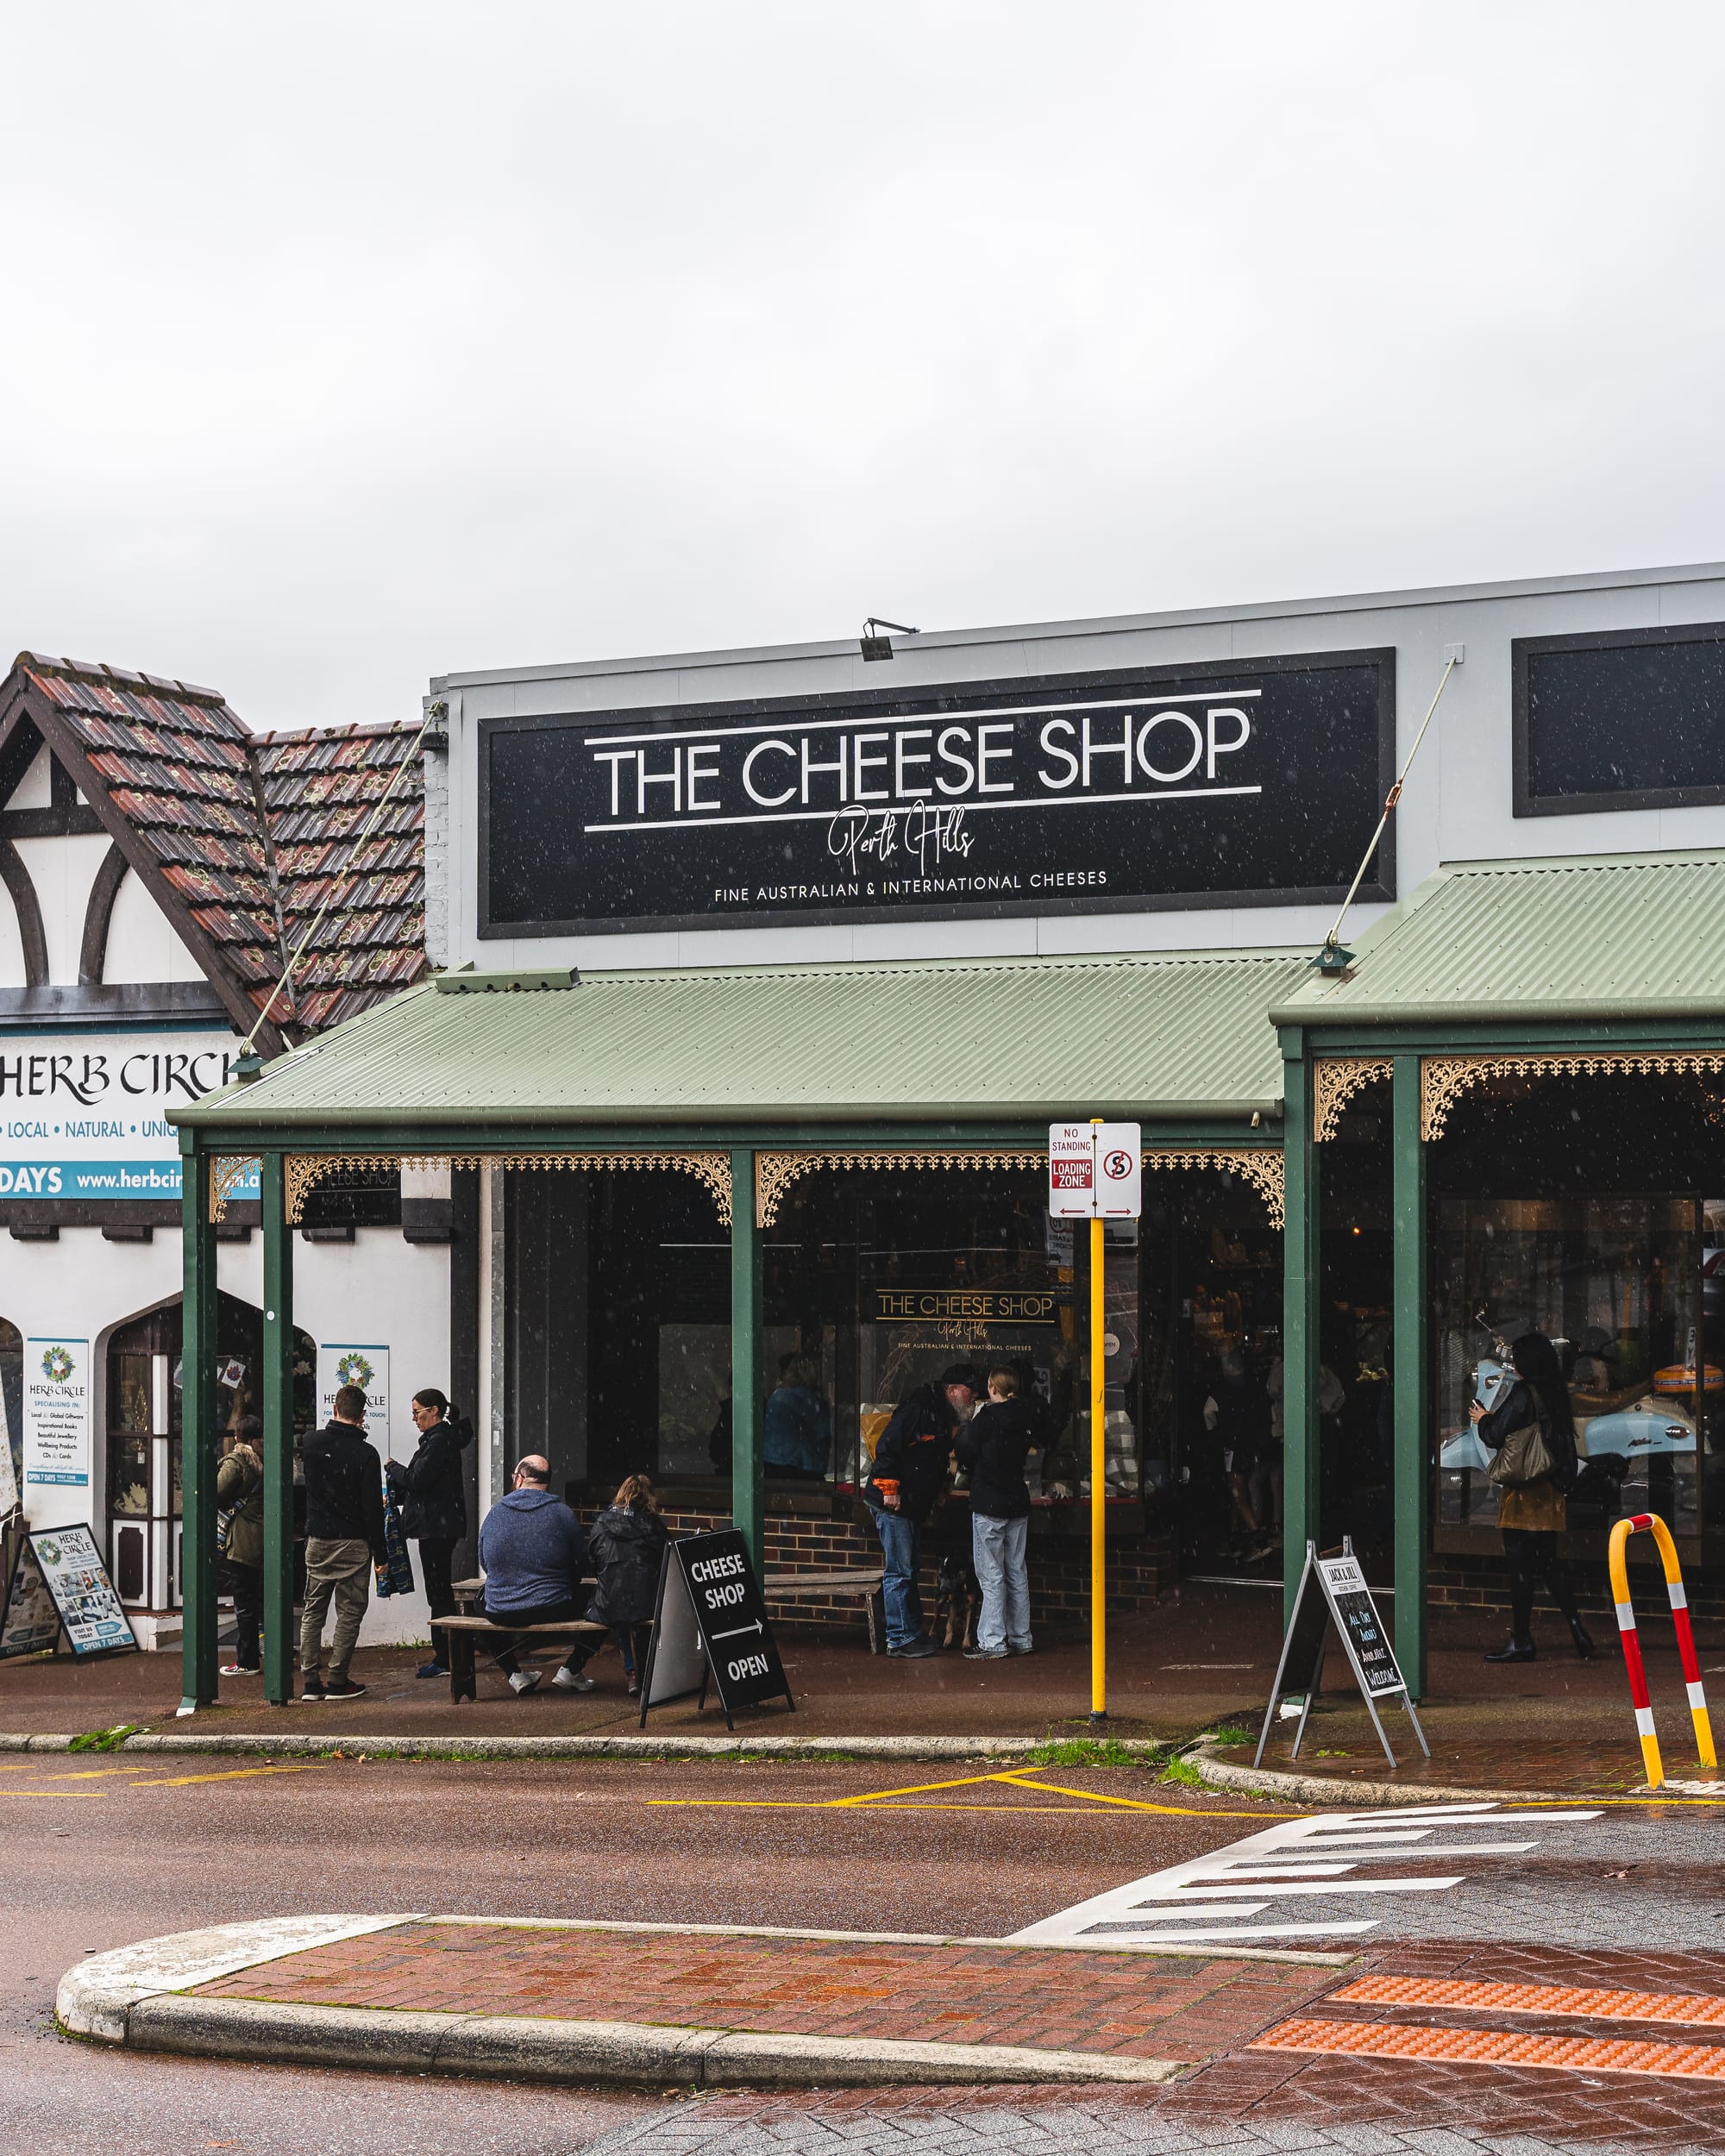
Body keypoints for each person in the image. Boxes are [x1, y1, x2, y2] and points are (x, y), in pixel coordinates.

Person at [1471, 1329, 1592, 1664]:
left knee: (1520, 1567)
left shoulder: (1524, 1392)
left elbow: (1496, 1435)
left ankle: (1521, 1639)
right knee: (1551, 1564)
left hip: (1524, 1490)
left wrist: (1483, 1419)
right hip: (1550, 1488)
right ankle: (1578, 1630)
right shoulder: (1555, 1392)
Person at [864, 1363, 979, 1658]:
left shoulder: (940, 1413)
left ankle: (910, 1633)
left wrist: (939, 1490)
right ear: (952, 1390)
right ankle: (900, 1638)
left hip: (912, 1504)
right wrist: (890, 1491)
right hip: (895, 1503)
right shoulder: (918, 1409)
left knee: (909, 1568)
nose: (974, 1397)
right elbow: (888, 1448)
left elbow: (935, 1458)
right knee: (900, 1570)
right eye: (970, 1391)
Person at [298, 1383, 386, 1702]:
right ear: (363, 1415)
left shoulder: (311, 1443)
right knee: (349, 1612)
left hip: (318, 1539)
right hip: (354, 1542)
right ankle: (337, 1680)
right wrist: (381, 1552)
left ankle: (310, 1682)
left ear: (334, 1409)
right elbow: (372, 1508)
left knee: (313, 1611)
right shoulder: (366, 1454)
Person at [477, 1454, 592, 1695]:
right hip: (554, 1607)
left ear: (519, 1479)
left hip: (502, 1612)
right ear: (547, 1482)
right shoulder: (562, 1514)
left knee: (479, 1602)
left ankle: (514, 1674)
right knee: (607, 1601)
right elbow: (582, 1565)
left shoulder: (494, 1514)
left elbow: (485, 1564)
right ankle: (572, 1669)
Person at [386, 1388, 474, 1680]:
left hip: (436, 1527)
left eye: (418, 1412)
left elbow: (418, 1479)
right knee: (439, 1592)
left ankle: (445, 1657)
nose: (414, 1418)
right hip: (439, 1525)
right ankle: (448, 1654)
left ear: (434, 1410)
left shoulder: (439, 1442)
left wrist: (393, 1468)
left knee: (438, 1593)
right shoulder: (441, 1440)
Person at [955, 1366, 1036, 1661]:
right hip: (1017, 1500)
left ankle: (992, 1640)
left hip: (990, 1500)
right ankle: (1021, 1636)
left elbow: (964, 1447)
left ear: (992, 1387)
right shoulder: (1025, 1415)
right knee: (1016, 1571)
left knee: (991, 1574)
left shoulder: (987, 1417)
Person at [574, 1473, 669, 1695]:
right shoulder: (654, 1526)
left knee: (621, 1609)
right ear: (649, 1498)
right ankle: (646, 1673)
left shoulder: (601, 1524)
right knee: (635, 1608)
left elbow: (593, 1563)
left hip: (610, 1601)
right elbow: (667, 1559)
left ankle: (632, 1672)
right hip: (647, 1599)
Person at [217, 1413, 265, 1677]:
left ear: (237, 1438)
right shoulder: (270, 1460)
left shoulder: (237, 1463)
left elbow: (213, 1492)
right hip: (266, 1538)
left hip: (243, 1542)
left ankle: (247, 1660)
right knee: (262, 1603)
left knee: (244, 1605)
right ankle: (270, 1649)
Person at [763, 1352, 832, 1481]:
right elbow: (825, 1427)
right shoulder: (800, 1397)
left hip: (775, 1461)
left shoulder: (779, 1394)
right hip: (796, 1465)